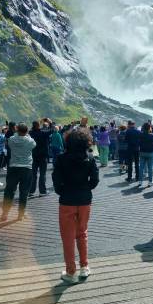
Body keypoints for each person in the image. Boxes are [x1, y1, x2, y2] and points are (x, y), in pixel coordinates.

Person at [52, 129, 99, 284]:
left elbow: (56, 182)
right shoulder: (90, 158)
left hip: (67, 200)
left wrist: (63, 191)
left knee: (68, 237)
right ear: (86, 142)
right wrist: (86, 188)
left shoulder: (60, 159)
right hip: (85, 199)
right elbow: (94, 180)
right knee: (82, 232)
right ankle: (84, 267)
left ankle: (70, 271)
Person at [0, 123, 36, 222]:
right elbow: (33, 144)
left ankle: (5, 213)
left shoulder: (12, 139)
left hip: (13, 167)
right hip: (26, 168)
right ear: (27, 131)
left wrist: (16, 133)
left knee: (9, 191)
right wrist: (27, 135)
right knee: (24, 192)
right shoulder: (30, 141)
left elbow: (10, 141)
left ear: (17, 130)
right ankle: (21, 214)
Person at [29, 121, 49, 197]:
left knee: (33, 174)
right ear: (38, 126)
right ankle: (42, 191)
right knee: (42, 174)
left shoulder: (30, 133)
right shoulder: (43, 133)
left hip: (33, 155)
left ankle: (31, 191)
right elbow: (53, 129)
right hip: (43, 156)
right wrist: (49, 122)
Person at [138, 122, 153, 187]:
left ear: (143, 128)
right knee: (150, 168)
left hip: (142, 152)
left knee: (141, 167)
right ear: (149, 128)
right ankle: (150, 182)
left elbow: (139, 143)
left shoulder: (140, 135)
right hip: (150, 153)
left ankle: (140, 181)